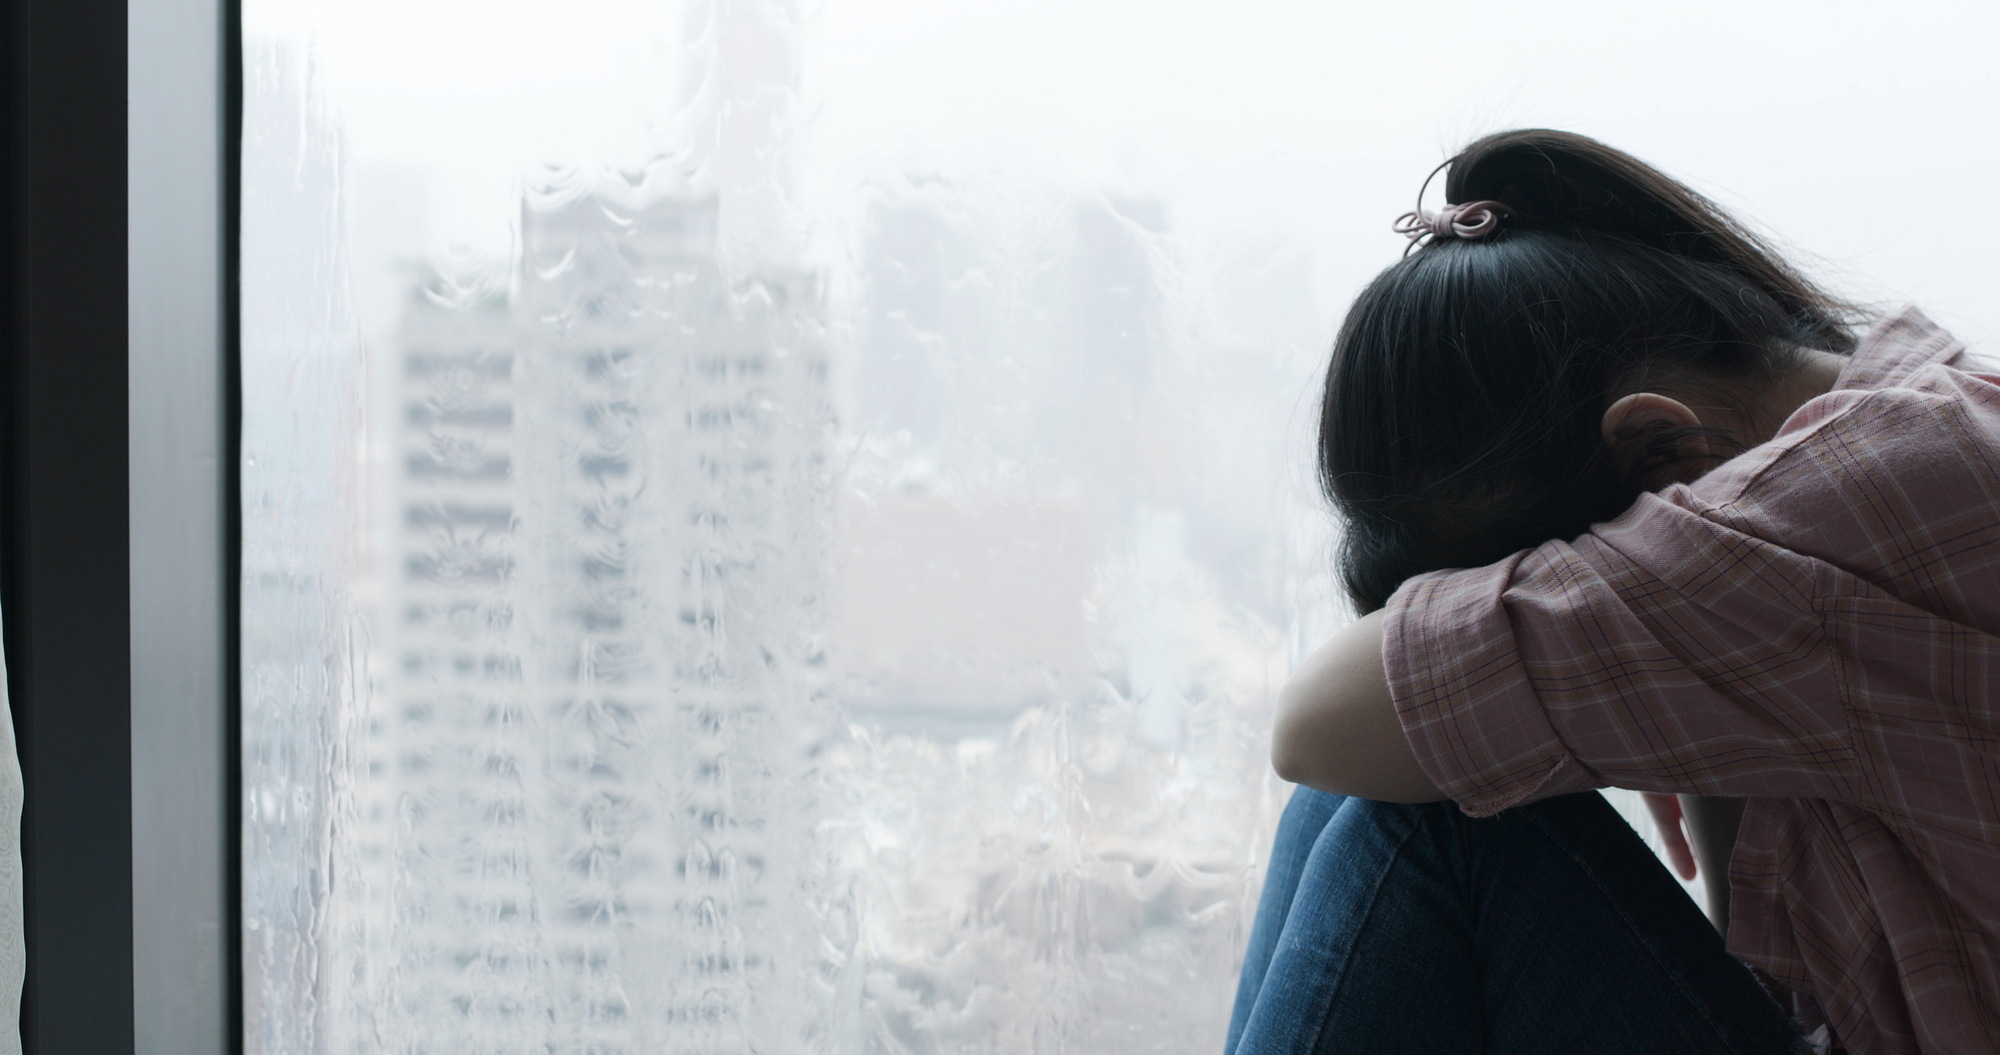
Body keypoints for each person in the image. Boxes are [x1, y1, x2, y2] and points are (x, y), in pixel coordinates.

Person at [1228, 129, 2000, 1055]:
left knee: (1419, 823)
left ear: (1664, 447)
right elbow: (1771, 991)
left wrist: (1629, 627)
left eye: (1570, 577)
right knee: (1376, 785)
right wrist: (1664, 712)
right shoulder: (1926, 429)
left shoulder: (1825, 512)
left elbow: (1312, 721)